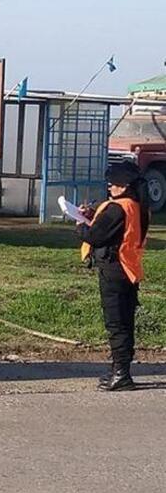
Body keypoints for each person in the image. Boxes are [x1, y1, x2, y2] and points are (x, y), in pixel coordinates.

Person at [77, 161, 150, 392]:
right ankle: (120, 369)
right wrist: (92, 214)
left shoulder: (118, 208)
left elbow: (96, 236)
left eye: (114, 184)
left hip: (114, 270)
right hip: (129, 269)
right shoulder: (137, 205)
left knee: (116, 323)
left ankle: (121, 374)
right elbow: (112, 227)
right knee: (125, 322)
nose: (110, 188)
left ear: (125, 186)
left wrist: (80, 224)